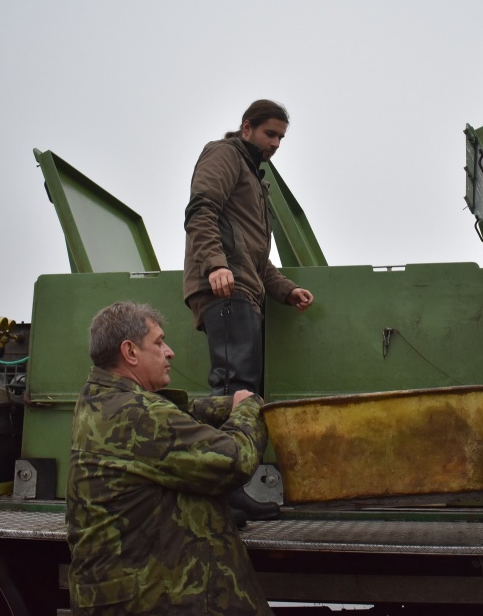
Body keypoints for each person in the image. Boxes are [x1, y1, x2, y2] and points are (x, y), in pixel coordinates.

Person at [66, 301, 273, 616]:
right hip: (153, 600)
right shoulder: (138, 414)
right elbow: (236, 459)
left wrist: (225, 405)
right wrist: (249, 408)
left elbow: (177, 415)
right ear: (130, 352)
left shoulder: (99, 399)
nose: (170, 352)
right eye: (159, 342)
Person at [183, 99, 314, 519]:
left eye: (281, 138)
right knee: (231, 392)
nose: (275, 143)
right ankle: (219, 494)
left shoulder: (255, 179)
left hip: (244, 289)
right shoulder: (223, 155)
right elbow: (200, 211)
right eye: (269, 133)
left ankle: (230, 487)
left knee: (243, 392)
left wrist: (287, 290)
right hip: (225, 289)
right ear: (246, 128)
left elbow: (257, 258)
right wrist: (215, 265)